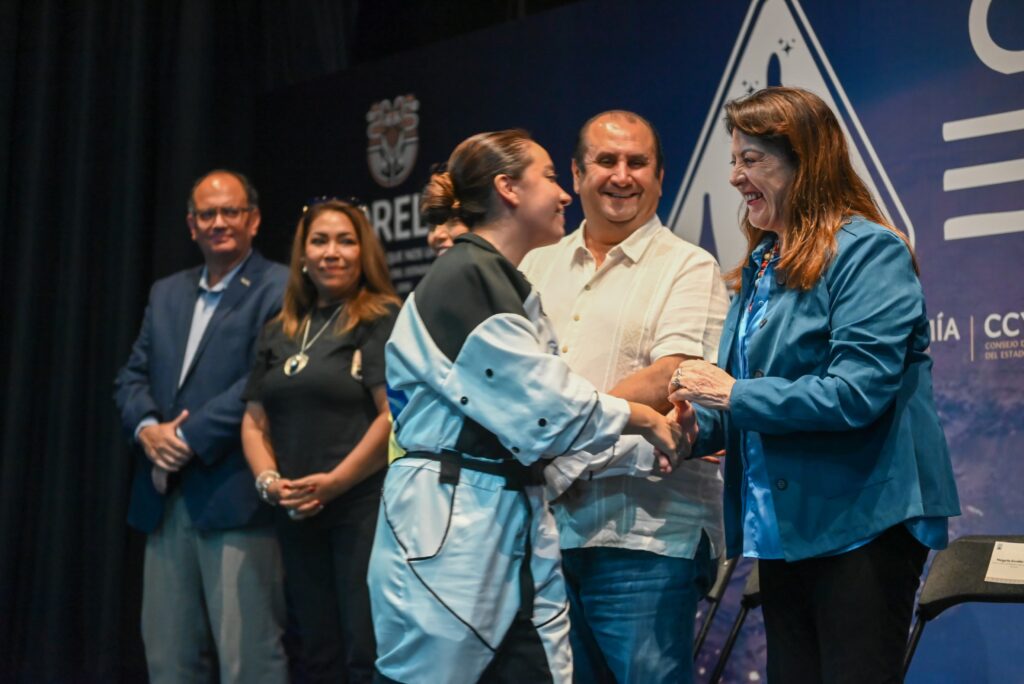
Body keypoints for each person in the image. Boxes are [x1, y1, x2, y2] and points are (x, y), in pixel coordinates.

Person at [368, 129, 684, 684]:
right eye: (551, 178)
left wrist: (637, 446)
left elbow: (541, 421)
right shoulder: (466, 275)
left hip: (492, 516)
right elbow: (546, 409)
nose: (564, 194)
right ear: (508, 188)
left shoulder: (496, 278)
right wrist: (645, 420)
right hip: (450, 523)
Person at [669, 86, 961, 684]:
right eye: (734, 160)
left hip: (862, 524)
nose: (735, 177)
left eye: (752, 160)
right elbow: (748, 399)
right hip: (786, 529)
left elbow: (856, 393)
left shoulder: (869, 251)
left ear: (805, 162)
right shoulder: (762, 263)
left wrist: (729, 395)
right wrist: (690, 432)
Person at [519, 110, 729, 684]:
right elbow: (512, 383)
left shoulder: (689, 266)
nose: (621, 175)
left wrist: (561, 434)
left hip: (645, 538)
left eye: (638, 162)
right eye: (606, 161)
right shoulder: (534, 266)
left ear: (659, 177)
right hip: (544, 535)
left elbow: (674, 374)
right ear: (576, 173)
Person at [114, 170, 289, 683]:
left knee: (249, 662)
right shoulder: (166, 293)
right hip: (165, 499)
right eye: (207, 214)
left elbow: (263, 378)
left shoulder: (280, 287)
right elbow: (132, 376)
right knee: (168, 662)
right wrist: (149, 429)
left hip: (236, 497)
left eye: (230, 212)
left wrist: (187, 437)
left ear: (253, 220)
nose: (219, 223)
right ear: (191, 226)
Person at [240, 198, 399, 683]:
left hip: (361, 510)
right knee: (317, 652)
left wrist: (334, 483)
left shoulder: (380, 317)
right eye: (320, 241)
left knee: (364, 650)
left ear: (363, 253)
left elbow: (391, 416)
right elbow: (253, 422)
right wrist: (270, 482)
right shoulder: (279, 329)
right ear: (303, 255)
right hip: (296, 511)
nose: (332, 252)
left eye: (346, 241)